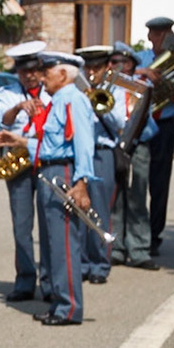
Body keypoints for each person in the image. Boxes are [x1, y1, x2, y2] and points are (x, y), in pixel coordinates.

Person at [29, 50, 99, 326]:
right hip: (49, 169)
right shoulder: (57, 100)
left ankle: (69, 307)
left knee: (64, 243)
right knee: (51, 243)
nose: (42, 76)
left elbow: (83, 143)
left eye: (47, 71)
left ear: (62, 73)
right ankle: (59, 301)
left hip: (64, 170)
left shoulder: (74, 100)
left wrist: (82, 182)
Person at [0, 44, 49, 302]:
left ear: (40, 69)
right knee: (22, 225)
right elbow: (3, 120)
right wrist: (18, 108)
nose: (30, 76)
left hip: (45, 154)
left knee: (50, 224)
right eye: (24, 72)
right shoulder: (9, 92)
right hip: (19, 156)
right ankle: (25, 281)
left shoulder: (52, 91)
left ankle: (49, 282)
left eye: (34, 71)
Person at [108, 43, 159, 271]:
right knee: (116, 198)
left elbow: (145, 116)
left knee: (138, 195)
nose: (119, 66)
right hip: (115, 145)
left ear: (132, 65)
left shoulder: (142, 86)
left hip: (140, 144)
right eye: (115, 62)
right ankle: (116, 248)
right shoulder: (108, 87)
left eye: (124, 63)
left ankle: (139, 249)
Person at [77, 45, 117, 285]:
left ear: (107, 67)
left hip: (102, 153)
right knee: (80, 208)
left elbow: (119, 122)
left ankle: (100, 263)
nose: (92, 72)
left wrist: (97, 100)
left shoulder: (115, 89)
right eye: (88, 67)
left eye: (97, 67)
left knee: (100, 209)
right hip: (81, 152)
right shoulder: (77, 88)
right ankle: (82, 262)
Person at [141, 15, 174, 256]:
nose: (163, 38)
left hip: (164, 125)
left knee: (160, 183)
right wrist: (143, 72)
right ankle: (134, 233)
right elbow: (123, 74)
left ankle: (154, 235)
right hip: (142, 125)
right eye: (158, 34)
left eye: (167, 34)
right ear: (150, 36)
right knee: (136, 183)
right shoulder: (141, 58)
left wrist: (173, 92)